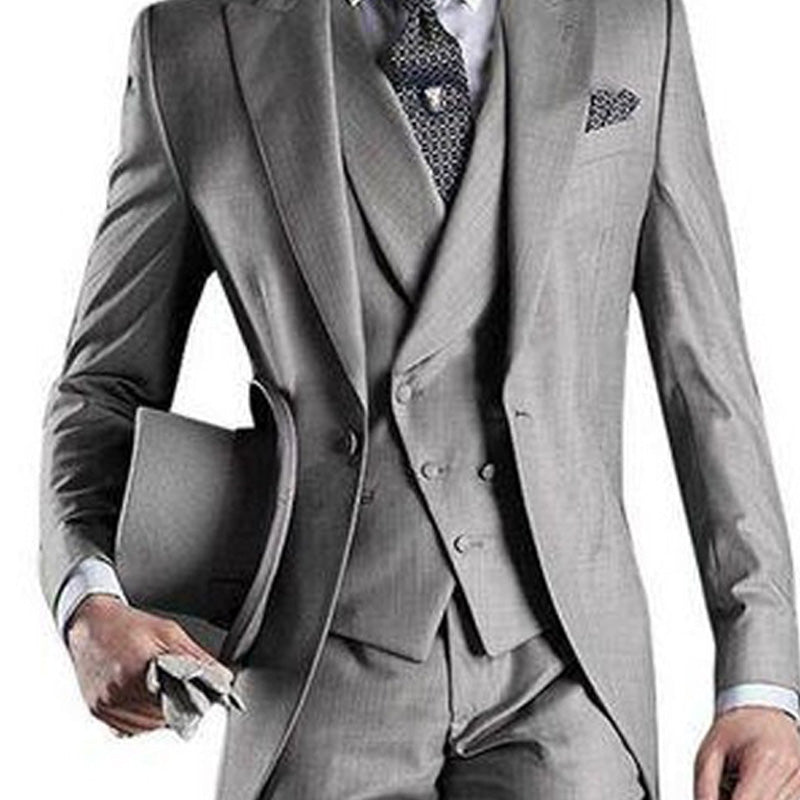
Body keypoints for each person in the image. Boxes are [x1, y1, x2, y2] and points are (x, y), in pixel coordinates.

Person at [39, 0, 800, 798]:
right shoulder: (194, 46)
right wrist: (88, 604)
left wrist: (759, 680)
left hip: (571, 671)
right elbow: (102, 386)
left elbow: (706, 372)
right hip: (318, 668)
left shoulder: (636, 27)